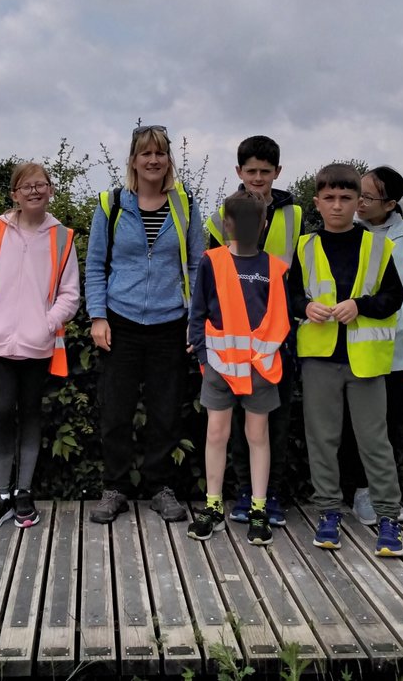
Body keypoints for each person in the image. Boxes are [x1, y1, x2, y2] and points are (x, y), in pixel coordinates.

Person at [85, 124, 203, 524]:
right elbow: (96, 265)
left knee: (166, 411)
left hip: (171, 322)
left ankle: (160, 487)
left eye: (160, 153)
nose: (153, 160)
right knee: (116, 411)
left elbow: (197, 266)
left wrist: (195, 319)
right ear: (133, 160)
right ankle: (114, 487)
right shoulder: (111, 204)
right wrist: (98, 316)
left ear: (168, 159)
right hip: (121, 321)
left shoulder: (184, 204)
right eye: (145, 153)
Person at [296, 164, 403, 558]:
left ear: (359, 202)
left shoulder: (379, 245)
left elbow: (394, 297)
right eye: (330, 198)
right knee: (322, 440)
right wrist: (305, 307)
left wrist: (359, 305)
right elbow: (291, 296)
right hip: (319, 359)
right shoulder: (304, 246)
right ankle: (329, 511)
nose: (338, 206)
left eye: (346, 198)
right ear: (317, 203)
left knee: (375, 441)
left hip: (366, 361)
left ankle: (388, 516)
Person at [0, 162, 80, 531]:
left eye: (41, 185)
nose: (34, 191)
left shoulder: (62, 237)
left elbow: (70, 295)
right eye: (26, 186)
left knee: (31, 413)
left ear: (50, 191)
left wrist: (47, 324)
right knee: (1, 412)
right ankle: (0, 494)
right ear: (14, 194)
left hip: (38, 344)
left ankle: (24, 492)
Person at [204, 135, 302, 527]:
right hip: (231, 343)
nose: (258, 178)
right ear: (239, 172)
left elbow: (301, 270)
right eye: (251, 171)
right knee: (233, 423)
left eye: (266, 172)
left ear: (278, 172)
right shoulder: (222, 216)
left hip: (277, 337)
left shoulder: (294, 214)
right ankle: (244, 493)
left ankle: (270, 495)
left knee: (271, 423)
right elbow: (211, 279)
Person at [187, 190, 291, 546]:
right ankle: (213, 506)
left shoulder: (275, 267)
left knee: (258, 437)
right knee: (216, 434)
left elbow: (281, 319)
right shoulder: (210, 261)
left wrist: (263, 358)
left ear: (263, 225)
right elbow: (197, 313)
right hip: (219, 367)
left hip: (261, 368)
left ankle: (259, 509)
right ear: (226, 224)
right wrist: (204, 357)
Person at [340, 166, 403, 526]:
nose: (359, 201)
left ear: (391, 203)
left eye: (367, 196)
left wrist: (393, 325)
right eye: (356, 193)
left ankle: (384, 493)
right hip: (353, 346)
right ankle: (359, 492)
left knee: (388, 425)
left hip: (393, 349)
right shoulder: (347, 232)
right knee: (353, 426)